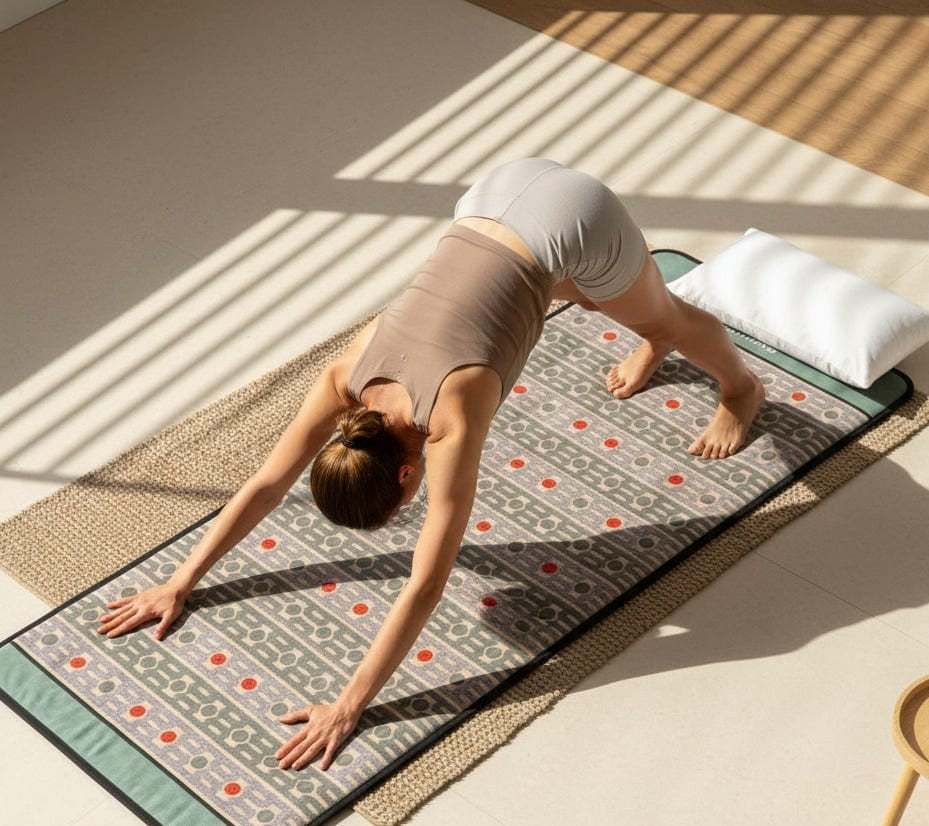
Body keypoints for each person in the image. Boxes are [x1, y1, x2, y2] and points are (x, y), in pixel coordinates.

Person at [95, 158, 765, 772]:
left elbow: (425, 581)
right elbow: (268, 482)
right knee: (593, 293)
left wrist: (348, 704)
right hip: (492, 196)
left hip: (571, 214)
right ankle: (631, 311)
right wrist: (178, 581)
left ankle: (738, 386)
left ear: (406, 477)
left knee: (666, 316)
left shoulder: (452, 412)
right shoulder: (345, 378)